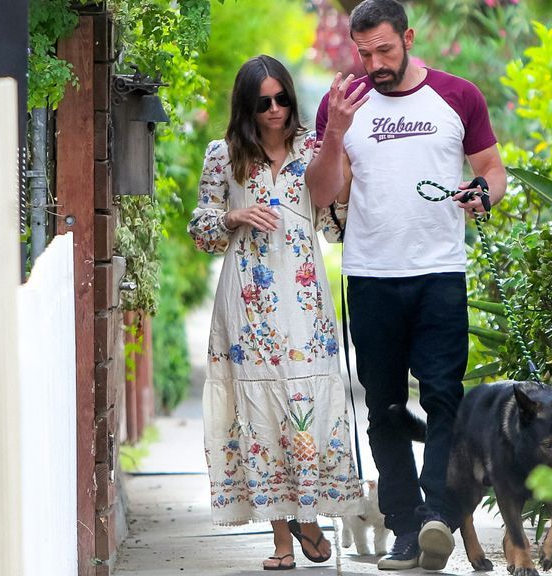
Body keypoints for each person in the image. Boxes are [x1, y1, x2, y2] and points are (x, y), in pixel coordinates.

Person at [305, 0, 507, 571]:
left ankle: (437, 515)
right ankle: (403, 527)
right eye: (364, 53)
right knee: (386, 407)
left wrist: (482, 195)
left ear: (409, 38)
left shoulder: (457, 96)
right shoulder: (340, 104)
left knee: (444, 396)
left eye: (385, 50)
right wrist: (335, 135)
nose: (374, 63)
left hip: (440, 273)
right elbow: (322, 195)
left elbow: (494, 170)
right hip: (370, 276)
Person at [188, 54, 362, 571]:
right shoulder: (224, 155)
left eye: (282, 98)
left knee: (303, 403)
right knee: (259, 412)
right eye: (263, 101)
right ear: (247, 105)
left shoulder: (313, 149)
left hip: (304, 302)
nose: (275, 109)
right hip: (247, 304)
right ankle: (282, 541)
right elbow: (201, 229)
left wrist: (341, 155)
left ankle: (308, 517)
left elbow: (335, 224)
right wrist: (234, 215)